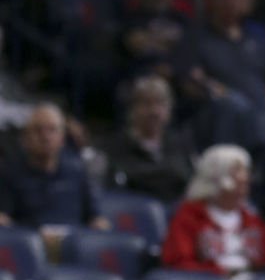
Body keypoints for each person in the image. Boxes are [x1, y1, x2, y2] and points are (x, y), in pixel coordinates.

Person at [161, 146, 265, 280]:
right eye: (236, 170)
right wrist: (220, 273)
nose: (244, 178)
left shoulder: (252, 220)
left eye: (245, 171)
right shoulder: (189, 216)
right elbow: (179, 263)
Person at [0, 104, 106, 235]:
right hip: (33, 244)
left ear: (62, 138)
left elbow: (96, 217)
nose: (45, 137)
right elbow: (3, 217)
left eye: (52, 130)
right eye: (38, 130)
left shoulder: (78, 170)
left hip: (72, 243)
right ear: (25, 138)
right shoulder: (11, 172)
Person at [103, 74, 192, 206]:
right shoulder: (114, 145)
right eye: (147, 103)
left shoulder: (180, 143)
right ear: (132, 109)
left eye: (161, 103)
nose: (154, 111)